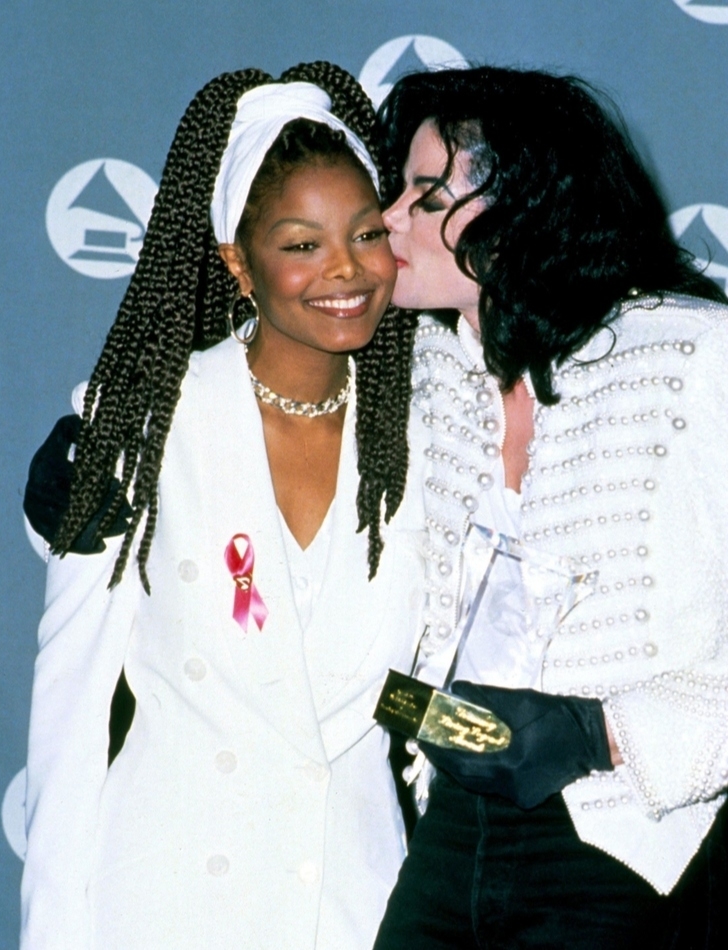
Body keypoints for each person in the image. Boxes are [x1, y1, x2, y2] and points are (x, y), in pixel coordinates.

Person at [20, 62, 427, 950]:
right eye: (301, 244)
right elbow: (72, 712)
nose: (346, 271)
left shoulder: (432, 433)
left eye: (365, 234)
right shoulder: (146, 419)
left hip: (361, 906)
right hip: (167, 903)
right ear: (238, 264)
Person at [372, 66, 728, 949]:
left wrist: (597, 732)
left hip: (632, 838)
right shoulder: (422, 369)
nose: (391, 221)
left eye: (426, 192)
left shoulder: (697, 358)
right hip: (450, 821)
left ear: (525, 201)